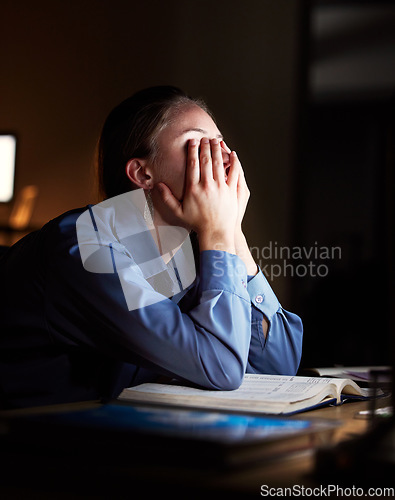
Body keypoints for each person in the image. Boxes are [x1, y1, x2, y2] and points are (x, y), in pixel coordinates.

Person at [0, 86, 302, 409]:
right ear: (142, 173)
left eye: (222, 144)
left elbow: (278, 366)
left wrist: (231, 233)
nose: (224, 158)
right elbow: (223, 369)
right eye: (201, 144)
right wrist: (219, 232)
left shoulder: (186, 254)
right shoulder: (86, 249)